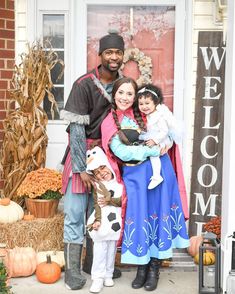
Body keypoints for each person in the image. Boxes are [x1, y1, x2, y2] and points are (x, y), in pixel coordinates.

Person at [101, 77, 190, 291]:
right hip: (136, 177)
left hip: (160, 173)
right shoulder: (110, 121)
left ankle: (154, 268)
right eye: (121, 93)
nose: (125, 97)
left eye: (129, 94)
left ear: (135, 97)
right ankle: (141, 267)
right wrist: (153, 149)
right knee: (139, 216)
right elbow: (122, 151)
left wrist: (165, 144)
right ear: (114, 94)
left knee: (158, 215)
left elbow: (169, 134)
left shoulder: (146, 111)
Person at [60, 31, 124, 290]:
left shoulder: (123, 85)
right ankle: (72, 271)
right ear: (100, 55)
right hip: (82, 157)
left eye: (118, 52)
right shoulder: (84, 84)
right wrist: (81, 168)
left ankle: (92, 264)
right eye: (109, 52)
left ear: (123, 56)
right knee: (76, 214)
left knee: (99, 210)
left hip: (107, 160)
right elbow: (76, 128)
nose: (114, 57)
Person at [85, 146, 123, 293]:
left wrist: (110, 201)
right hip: (103, 221)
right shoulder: (98, 186)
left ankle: (108, 273)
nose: (102, 173)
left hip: (115, 223)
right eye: (97, 173)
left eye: (102, 168)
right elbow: (97, 204)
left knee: (112, 249)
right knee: (100, 249)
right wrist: (97, 220)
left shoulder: (120, 182)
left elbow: (123, 201)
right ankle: (97, 278)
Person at [137, 84, 183, 190]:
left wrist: (155, 140)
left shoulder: (159, 116)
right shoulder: (149, 115)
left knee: (154, 153)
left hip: (162, 138)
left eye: (147, 103)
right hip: (155, 136)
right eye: (141, 104)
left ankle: (157, 176)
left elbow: (164, 131)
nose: (144, 106)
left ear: (156, 102)